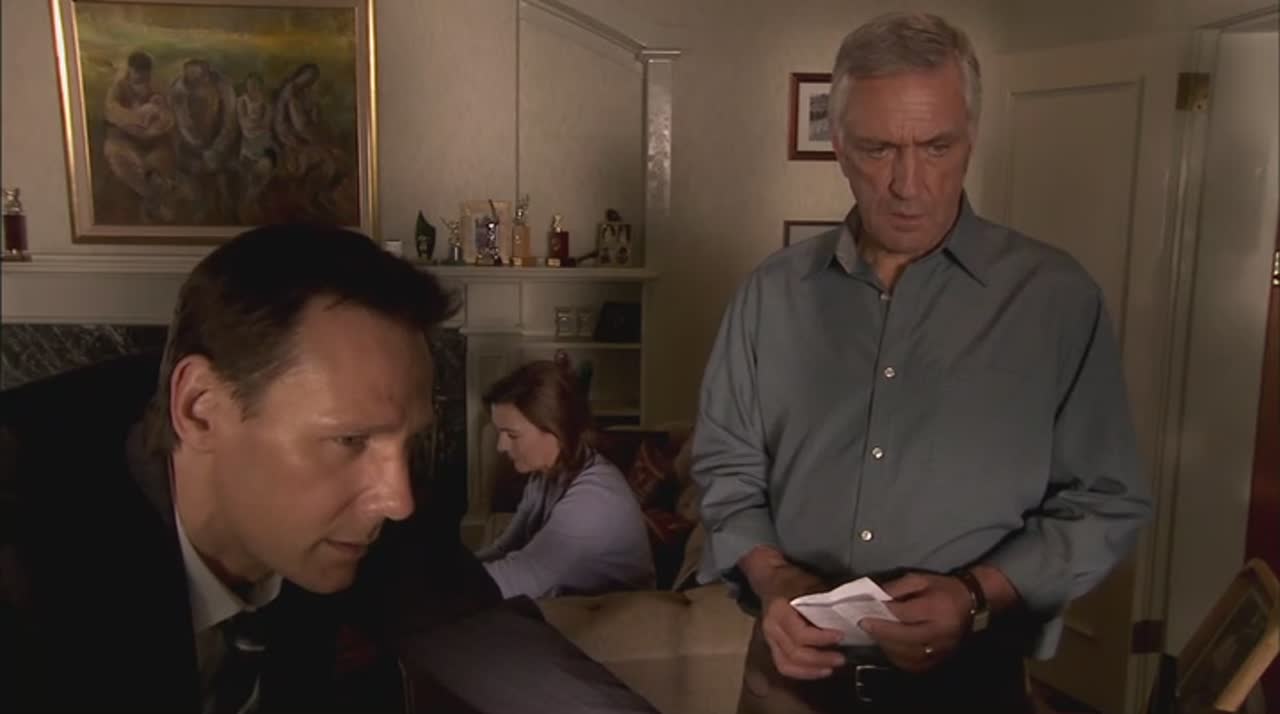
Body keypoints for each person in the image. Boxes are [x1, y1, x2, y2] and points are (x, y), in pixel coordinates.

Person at [691, 11, 1153, 713]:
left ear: (971, 139)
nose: (908, 184)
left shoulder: (1055, 300)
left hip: (972, 687)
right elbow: (727, 474)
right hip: (789, 686)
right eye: (878, 148)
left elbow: (1106, 499)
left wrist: (975, 595)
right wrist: (774, 579)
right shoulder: (770, 295)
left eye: (936, 146)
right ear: (839, 146)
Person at [0, 224, 661, 714]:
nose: (398, 500)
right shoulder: (25, 553)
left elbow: (497, 648)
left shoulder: (375, 513)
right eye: (348, 440)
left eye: (408, 443)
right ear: (200, 411)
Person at [476, 360, 654, 599]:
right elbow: (505, 548)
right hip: (571, 608)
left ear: (555, 430)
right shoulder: (545, 476)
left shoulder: (594, 499)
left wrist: (437, 590)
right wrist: (454, 569)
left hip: (616, 617)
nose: (501, 446)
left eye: (512, 435)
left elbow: (517, 578)